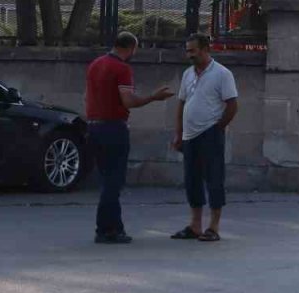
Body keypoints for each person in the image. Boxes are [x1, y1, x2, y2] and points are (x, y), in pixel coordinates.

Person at [85, 31, 174, 244]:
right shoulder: (122, 68)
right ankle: (107, 229)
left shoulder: (96, 64)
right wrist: (153, 97)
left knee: (106, 179)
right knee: (114, 181)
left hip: (94, 126)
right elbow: (128, 101)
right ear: (131, 48)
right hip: (113, 128)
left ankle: (113, 226)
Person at [170, 33, 238, 243]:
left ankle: (213, 226)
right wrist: (179, 133)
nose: (189, 55)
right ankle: (195, 225)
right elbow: (182, 103)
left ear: (205, 49)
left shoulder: (222, 74)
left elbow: (232, 105)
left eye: (193, 50)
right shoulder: (188, 74)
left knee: (214, 178)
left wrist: (218, 128)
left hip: (210, 133)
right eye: (187, 51)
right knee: (192, 180)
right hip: (189, 135)